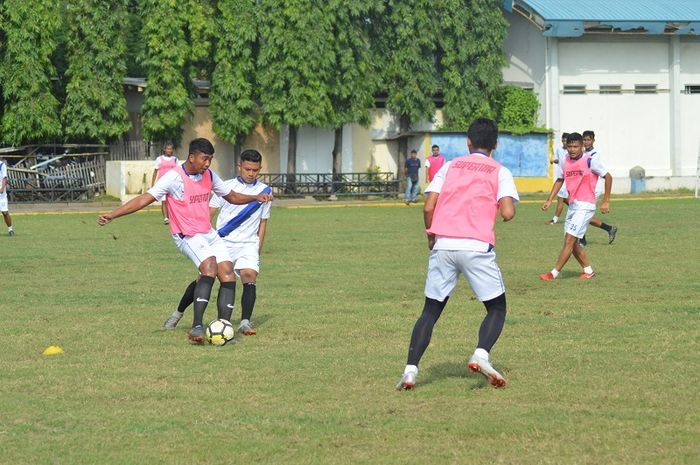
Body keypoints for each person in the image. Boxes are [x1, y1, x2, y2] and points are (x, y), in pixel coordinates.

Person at [98, 138, 272, 343]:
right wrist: (113, 214)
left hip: (207, 232)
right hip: (185, 234)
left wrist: (254, 198)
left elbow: (232, 197)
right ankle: (197, 327)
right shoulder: (173, 177)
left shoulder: (209, 175)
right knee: (208, 267)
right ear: (192, 157)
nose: (208, 164)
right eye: (205, 159)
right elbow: (145, 199)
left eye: (210, 159)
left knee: (226, 273)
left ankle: (224, 328)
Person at [396, 118, 519, 391]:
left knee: (430, 311)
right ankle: (481, 354)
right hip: (476, 245)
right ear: (495, 144)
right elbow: (508, 213)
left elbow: (428, 207)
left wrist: (431, 235)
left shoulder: (450, 166)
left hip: (443, 244)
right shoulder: (500, 171)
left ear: (468, 141)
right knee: (497, 308)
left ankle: (410, 371)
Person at [163, 149, 272, 336]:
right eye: (247, 169)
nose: (250, 173)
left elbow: (263, 222)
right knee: (204, 278)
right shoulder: (226, 187)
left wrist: (258, 248)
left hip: (248, 244)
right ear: (240, 167)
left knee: (249, 276)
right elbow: (207, 215)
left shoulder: (265, 191)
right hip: (223, 240)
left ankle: (244, 322)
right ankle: (178, 313)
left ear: (260, 169)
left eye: (255, 170)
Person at [539, 132, 612, 281]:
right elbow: (560, 180)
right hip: (573, 205)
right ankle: (588, 270)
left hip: (585, 206)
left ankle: (553, 273)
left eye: (575, 146)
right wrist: (549, 199)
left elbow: (608, 177)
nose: (572, 149)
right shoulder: (565, 161)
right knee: (571, 242)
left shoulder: (590, 161)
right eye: (570, 146)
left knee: (569, 241)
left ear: (582, 147)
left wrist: (606, 200)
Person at [580, 130, 617, 245]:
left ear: (593, 140)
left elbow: (607, 176)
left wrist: (606, 201)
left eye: (588, 140)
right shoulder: (582, 153)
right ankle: (609, 229)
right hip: (584, 189)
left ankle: (582, 241)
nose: (586, 142)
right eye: (584, 140)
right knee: (583, 215)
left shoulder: (594, 156)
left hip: (593, 189)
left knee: (582, 214)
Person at [152, 142, 180, 225]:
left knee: (173, 201)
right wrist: (153, 184)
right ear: (164, 150)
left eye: (171, 149)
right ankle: (165, 218)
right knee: (164, 200)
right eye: (167, 149)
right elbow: (155, 171)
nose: (169, 150)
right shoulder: (159, 159)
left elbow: (179, 171)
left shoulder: (175, 159)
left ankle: (173, 217)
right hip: (162, 183)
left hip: (173, 183)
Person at [545, 133, 570, 225]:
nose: (564, 142)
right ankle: (578, 210)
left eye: (566, 140)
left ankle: (554, 220)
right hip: (561, 177)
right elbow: (559, 160)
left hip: (568, 179)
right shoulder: (559, 149)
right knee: (563, 199)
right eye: (563, 140)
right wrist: (553, 161)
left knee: (560, 197)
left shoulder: (571, 150)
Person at [0, 158, 15, 236]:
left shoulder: (2, 165)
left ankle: (10, 229)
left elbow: (5, 178)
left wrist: (2, 187)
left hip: (1, 195)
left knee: (5, 212)